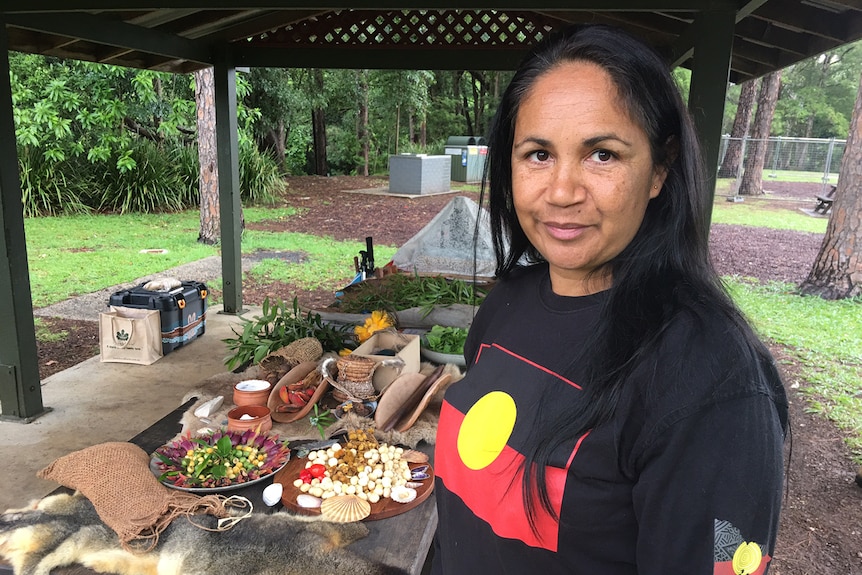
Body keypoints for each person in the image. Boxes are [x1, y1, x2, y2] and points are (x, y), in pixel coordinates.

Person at [431, 24, 789, 575]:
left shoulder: (710, 378)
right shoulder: (508, 302)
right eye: (537, 154)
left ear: (659, 169)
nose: (562, 191)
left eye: (601, 155)